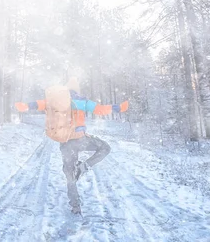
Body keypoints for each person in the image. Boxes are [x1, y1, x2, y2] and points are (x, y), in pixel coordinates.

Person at [14, 77, 129, 214]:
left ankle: (75, 206)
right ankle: (84, 166)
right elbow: (101, 109)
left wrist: (26, 106)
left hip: (66, 143)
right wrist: (118, 108)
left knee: (70, 175)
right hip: (81, 140)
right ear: (77, 89)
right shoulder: (82, 101)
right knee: (105, 148)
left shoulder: (56, 101)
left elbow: (41, 104)